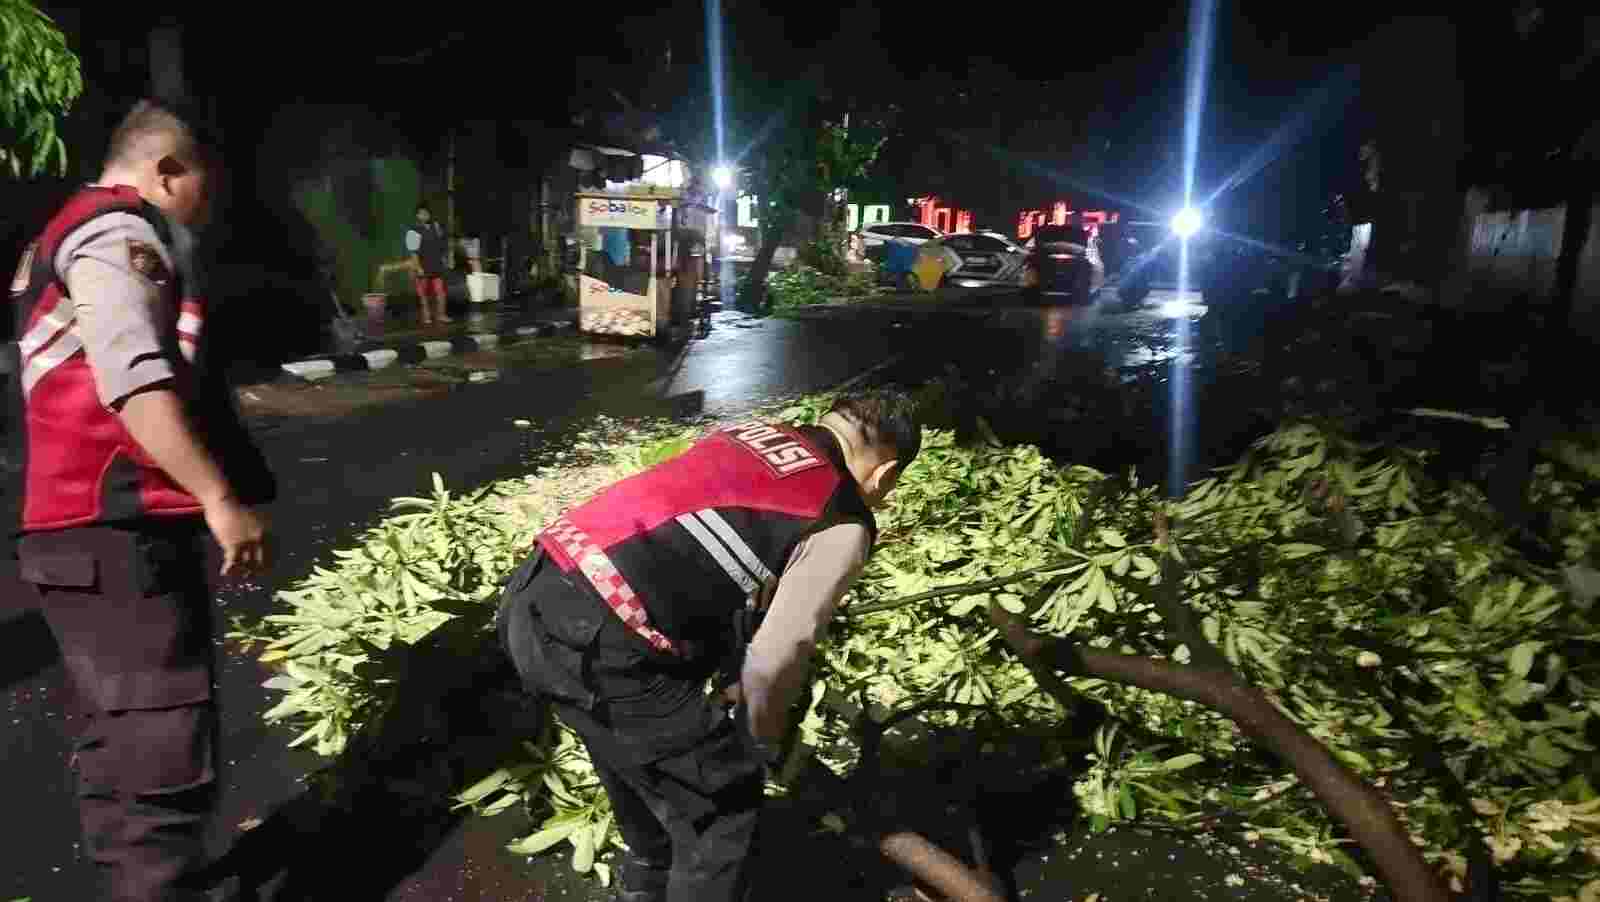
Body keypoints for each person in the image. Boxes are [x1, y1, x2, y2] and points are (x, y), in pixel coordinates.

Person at [497, 389, 922, 902]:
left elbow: (706, 558)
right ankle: (663, 879)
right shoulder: (842, 517)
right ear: (886, 475)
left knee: (636, 754)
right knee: (726, 803)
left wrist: (727, 671)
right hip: (599, 644)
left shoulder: (754, 434)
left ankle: (648, 880)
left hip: (535, 593)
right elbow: (778, 653)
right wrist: (761, 741)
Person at [7, 98, 275, 902]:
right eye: (203, 187)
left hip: (74, 532)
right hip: (113, 532)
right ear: (167, 171)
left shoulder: (64, 230)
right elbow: (135, 381)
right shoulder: (118, 233)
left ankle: (144, 884)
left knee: (117, 736)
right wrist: (219, 498)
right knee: (161, 740)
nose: (207, 208)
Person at [405, 203, 450, 325]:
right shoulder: (413, 230)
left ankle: (441, 315)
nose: (424, 215)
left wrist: (444, 260)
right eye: (421, 213)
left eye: (426, 213)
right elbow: (413, 252)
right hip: (422, 265)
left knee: (441, 291)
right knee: (423, 294)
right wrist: (418, 267)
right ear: (417, 215)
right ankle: (426, 316)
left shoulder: (436, 226)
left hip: (436, 264)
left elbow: (442, 245)